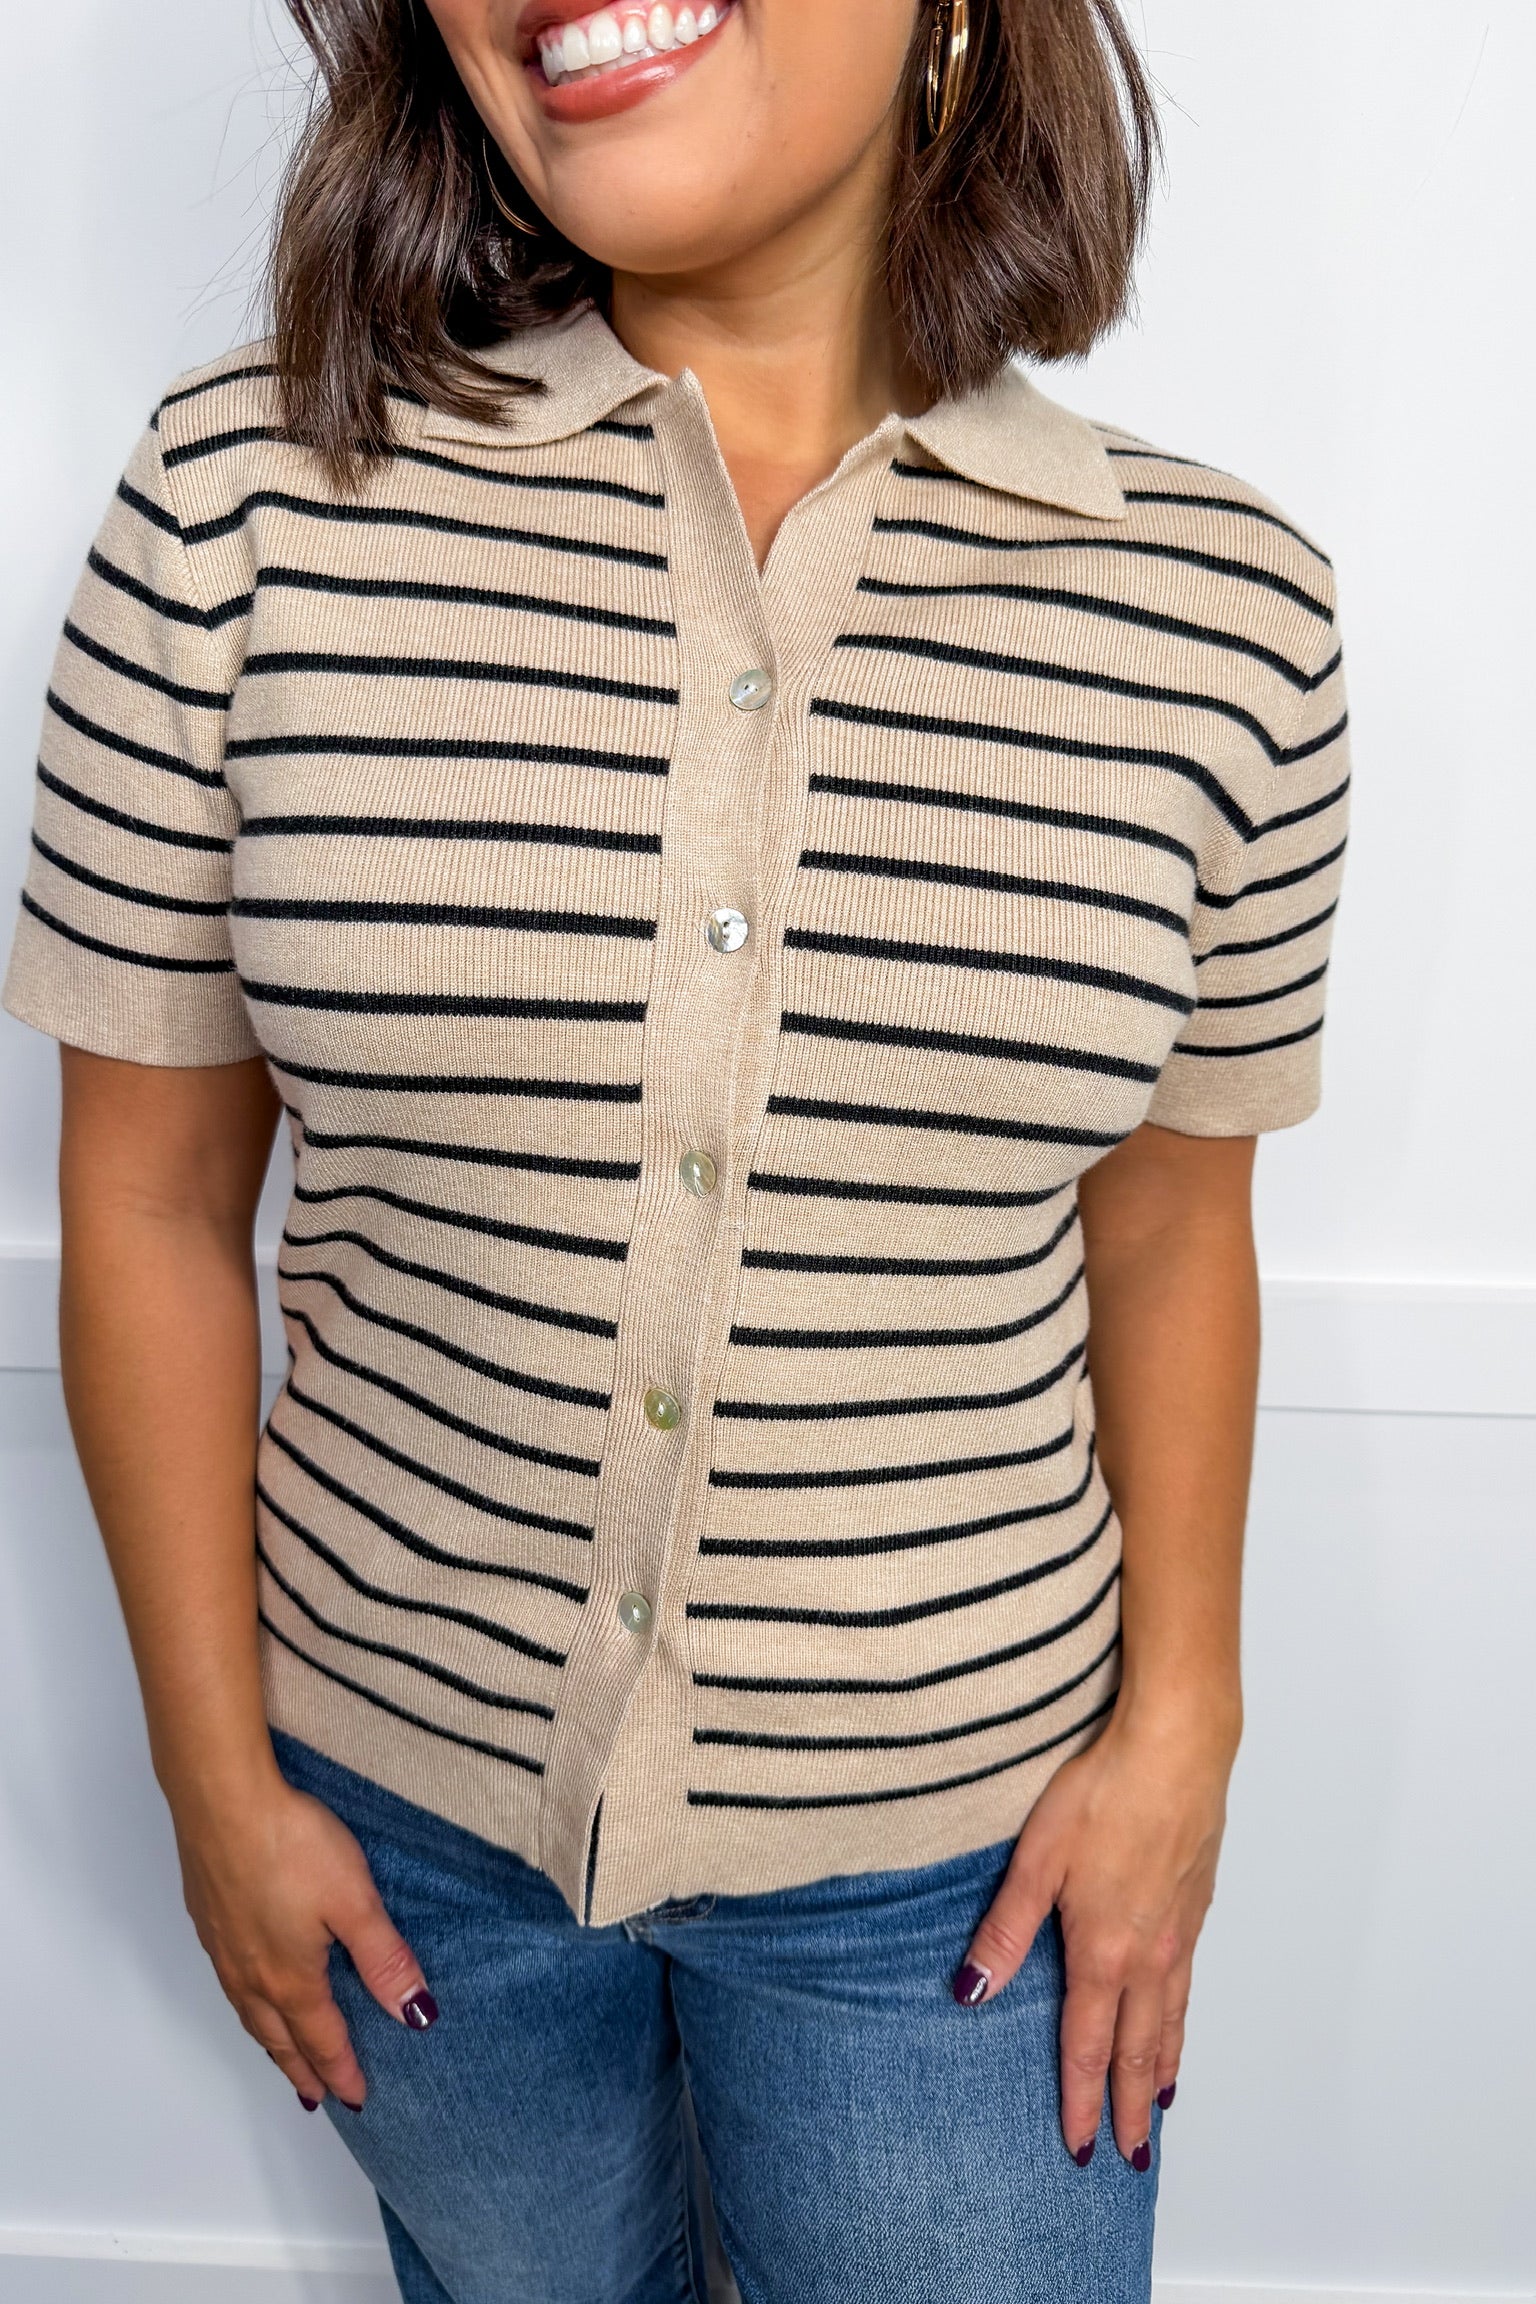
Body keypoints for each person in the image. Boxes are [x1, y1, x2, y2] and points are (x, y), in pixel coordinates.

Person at [1, 0, 1350, 2294]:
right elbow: (144, 1197)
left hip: (968, 1872)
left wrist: (1187, 1732)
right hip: (393, 1833)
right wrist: (211, 1777)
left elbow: (1168, 1230)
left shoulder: (1227, 614)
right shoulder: (241, 503)